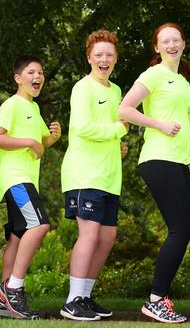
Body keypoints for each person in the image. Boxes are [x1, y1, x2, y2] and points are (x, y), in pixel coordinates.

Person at [119, 22, 190, 323]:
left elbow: (178, 123)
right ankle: (155, 299)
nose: (171, 45)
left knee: (183, 232)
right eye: (165, 41)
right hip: (158, 159)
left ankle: (159, 298)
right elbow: (125, 109)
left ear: (184, 44)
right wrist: (158, 124)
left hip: (179, 160)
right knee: (179, 231)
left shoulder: (182, 81)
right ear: (157, 47)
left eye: (176, 40)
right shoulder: (153, 74)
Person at [60, 29, 128, 321]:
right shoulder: (82, 87)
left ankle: (85, 297)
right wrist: (117, 131)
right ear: (89, 58)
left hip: (110, 177)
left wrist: (118, 143)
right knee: (88, 235)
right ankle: (72, 299)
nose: (104, 59)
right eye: (98, 54)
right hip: (83, 175)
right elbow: (83, 127)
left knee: (108, 236)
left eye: (109, 55)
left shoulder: (115, 91)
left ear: (115, 59)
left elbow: (114, 128)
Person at [0, 55, 61, 319]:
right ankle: (13, 288)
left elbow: (40, 145)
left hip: (25, 179)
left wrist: (53, 137)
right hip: (15, 179)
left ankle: (3, 306)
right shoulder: (12, 105)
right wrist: (30, 142)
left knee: (17, 238)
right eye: (31, 72)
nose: (37, 77)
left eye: (40, 72)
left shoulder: (33, 108)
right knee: (39, 225)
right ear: (18, 78)